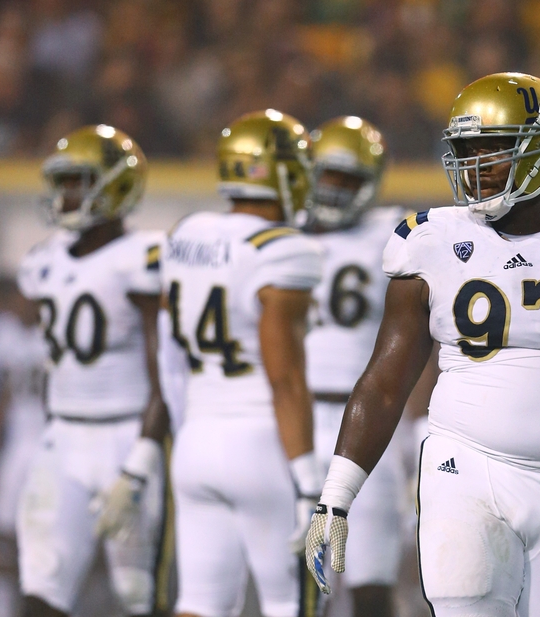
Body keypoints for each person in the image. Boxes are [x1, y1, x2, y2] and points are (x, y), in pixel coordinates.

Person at [306, 72, 540, 617]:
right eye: (466, 150)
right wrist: (336, 497)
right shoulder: (429, 241)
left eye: (493, 149)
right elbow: (385, 382)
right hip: (464, 469)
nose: (475, 165)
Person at [162, 109, 323, 617]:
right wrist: (306, 479)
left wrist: (179, 427)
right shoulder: (283, 249)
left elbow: (168, 353)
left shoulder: (186, 232)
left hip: (195, 440)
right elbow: (285, 377)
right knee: (289, 604)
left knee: (199, 603)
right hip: (261, 446)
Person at [15, 125, 168, 617]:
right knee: (40, 590)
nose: (65, 195)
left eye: (78, 181)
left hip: (128, 436)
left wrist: (144, 456)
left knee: (139, 596)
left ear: (117, 187)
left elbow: (165, 371)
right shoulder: (43, 261)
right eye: (63, 182)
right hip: (63, 437)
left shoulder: (142, 259)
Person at [303, 116, 408, 617]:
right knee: (296, 583)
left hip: (367, 422)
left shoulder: (391, 234)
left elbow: (424, 334)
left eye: (347, 179)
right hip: (294, 420)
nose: (334, 189)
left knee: (369, 583)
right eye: (327, 176)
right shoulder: (280, 236)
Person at [0, 277, 47, 617]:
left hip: (50, 448)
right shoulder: (9, 336)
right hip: (19, 449)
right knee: (3, 541)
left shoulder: (53, 337)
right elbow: (4, 402)